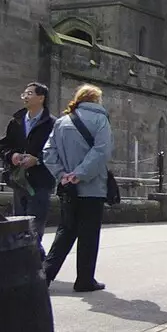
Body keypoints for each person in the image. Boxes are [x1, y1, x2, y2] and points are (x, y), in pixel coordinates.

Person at [42, 84, 113, 292]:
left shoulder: (62, 122)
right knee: (89, 235)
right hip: (92, 188)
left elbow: (48, 152)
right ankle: (84, 279)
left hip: (67, 188)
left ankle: (44, 276)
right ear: (96, 100)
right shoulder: (101, 121)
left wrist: (63, 175)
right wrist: (79, 174)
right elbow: (101, 152)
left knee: (65, 231)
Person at [0, 82, 55, 248]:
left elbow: (56, 152)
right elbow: (3, 146)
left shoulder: (52, 124)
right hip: (19, 180)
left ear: (41, 98)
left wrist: (37, 160)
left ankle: (35, 262)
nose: (25, 96)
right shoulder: (16, 122)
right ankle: (24, 261)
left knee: (35, 225)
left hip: (41, 181)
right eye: (24, 93)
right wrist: (12, 156)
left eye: (29, 93)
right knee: (19, 224)